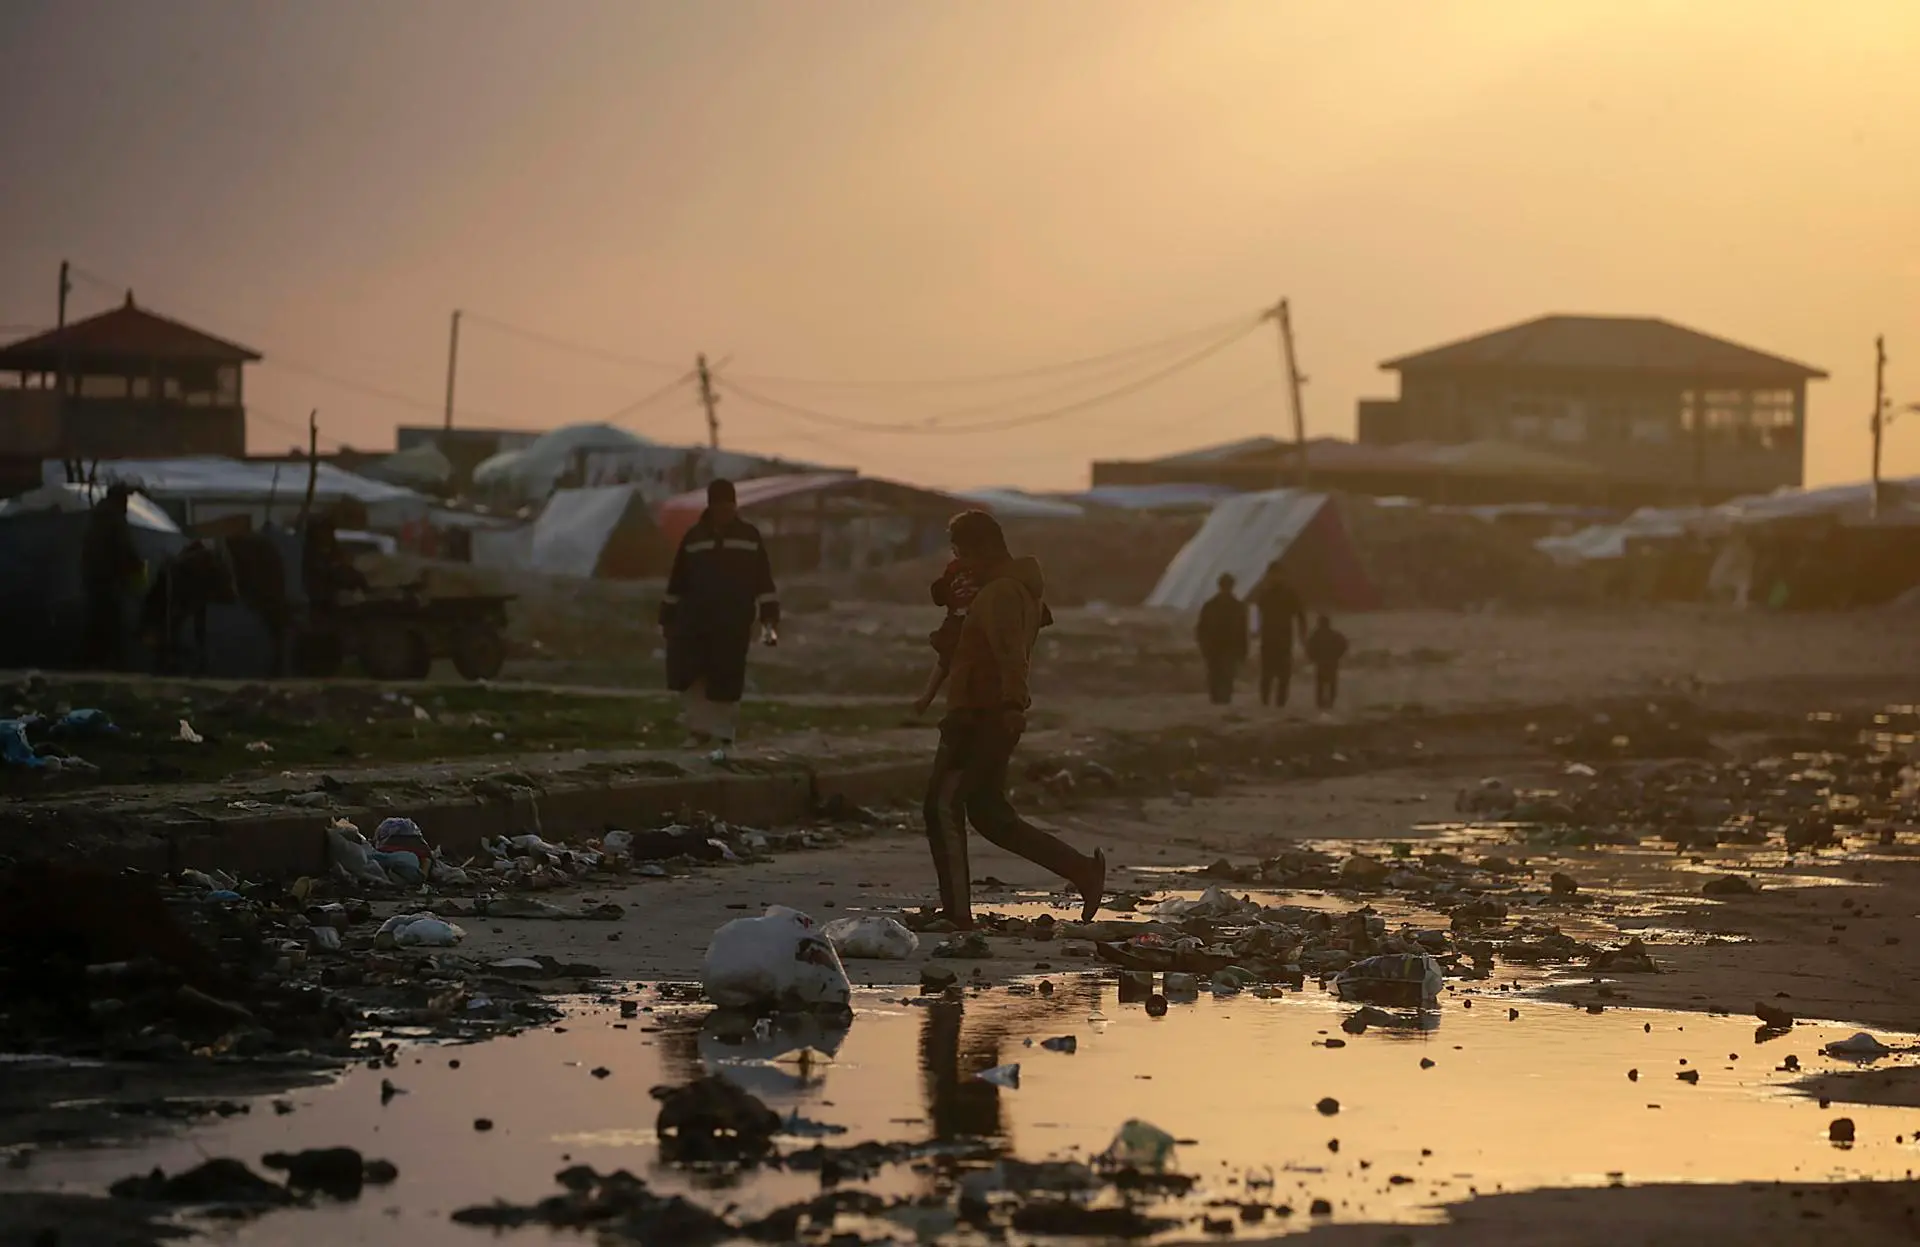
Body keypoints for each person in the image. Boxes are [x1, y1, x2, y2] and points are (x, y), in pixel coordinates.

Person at [923, 510, 1104, 929]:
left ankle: (956, 914)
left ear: (980, 549)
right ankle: (1082, 870)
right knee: (989, 814)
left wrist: (1011, 706)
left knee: (941, 806)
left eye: (960, 553)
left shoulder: (1002, 593)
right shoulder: (1003, 589)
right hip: (983, 712)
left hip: (980, 716)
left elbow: (1011, 656)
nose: (957, 563)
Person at [659, 479, 779, 750]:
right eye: (720, 507)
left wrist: (769, 617)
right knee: (692, 674)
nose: (725, 512)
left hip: (733, 620)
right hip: (695, 620)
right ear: (711, 506)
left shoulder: (749, 536)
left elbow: (763, 579)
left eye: (729, 507)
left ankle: (724, 733)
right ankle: (698, 730)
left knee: (727, 675)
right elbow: (678, 580)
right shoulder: (694, 538)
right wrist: (667, 616)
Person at [913, 554, 986, 716]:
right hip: (957, 619)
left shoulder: (986, 566)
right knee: (946, 660)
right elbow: (942, 592)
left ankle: (933, 699)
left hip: (977, 621)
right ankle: (927, 698)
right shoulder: (955, 568)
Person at [80, 483, 143, 670]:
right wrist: (136, 565)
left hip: (94, 576)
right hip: (108, 577)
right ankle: (111, 662)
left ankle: (93, 660)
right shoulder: (114, 518)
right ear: (120, 499)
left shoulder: (97, 516)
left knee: (97, 617)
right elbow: (123, 548)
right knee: (111, 619)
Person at [1251, 561, 1308, 708]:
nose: (1275, 577)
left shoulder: (1289, 594)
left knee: (1283, 674)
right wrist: (1254, 632)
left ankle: (1280, 703)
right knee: (1267, 674)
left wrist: (1302, 635)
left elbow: (1300, 615)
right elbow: (1255, 613)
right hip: (1269, 639)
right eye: (1273, 574)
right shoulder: (1264, 594)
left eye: (1278, 574)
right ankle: (1265, 702)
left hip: (1283, 639)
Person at [1194, 573, 1249, 705]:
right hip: (1215, 648)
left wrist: (1243, 650)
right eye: (1225, 586)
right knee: (1216, 679)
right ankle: (1218, 704)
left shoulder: (1236, 607)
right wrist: (1204, 646)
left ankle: (1222, 704)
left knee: (1225, 679)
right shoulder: (1212, 606)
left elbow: (1242, 631)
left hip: (1228, 648)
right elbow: (1201, 628)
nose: (1226, 589)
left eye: (1228, 586)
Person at [1305, 614, 1349, 712]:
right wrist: (1338, 655)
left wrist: (1313, 658)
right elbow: (1344, 645)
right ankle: (1330, 705)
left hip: (1321, 663)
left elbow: (1309, 648)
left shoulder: (1315, 635)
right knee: (1331, 685)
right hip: (1332, 663)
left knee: (1321, 686)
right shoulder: (1335, 635)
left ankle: (1321, 706)